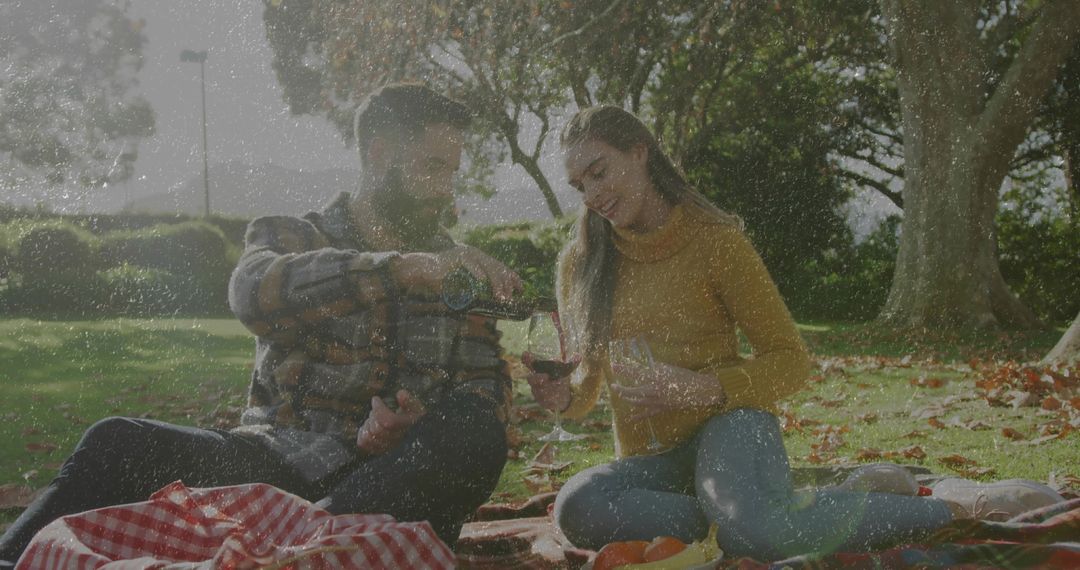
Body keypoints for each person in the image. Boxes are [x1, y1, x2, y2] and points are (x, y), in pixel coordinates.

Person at [0, 83, 519, 565]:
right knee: (117, 442)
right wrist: (399, 269)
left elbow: (486, 392)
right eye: (433, 167)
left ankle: (292, 544)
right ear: (379, 155)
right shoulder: (290, 234)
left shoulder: (461, 271)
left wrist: (413, 426)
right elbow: (253, 295)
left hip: (391, 479)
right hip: (275, 464)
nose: (446, 190)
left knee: (475, 431)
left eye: (452, 171)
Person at [526, 105, 959, 561]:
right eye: (580, 186)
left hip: (733, 426)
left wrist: (703, 388)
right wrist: (564, 398)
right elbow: (587, 385)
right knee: (578, 507)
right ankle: (763, 514)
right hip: (656, 462)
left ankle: (944, 512)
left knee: (751, 529)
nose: (592, 195)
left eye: (599, 172)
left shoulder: (716, 242)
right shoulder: (582, 262)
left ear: (639, 153)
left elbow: (791, 360)